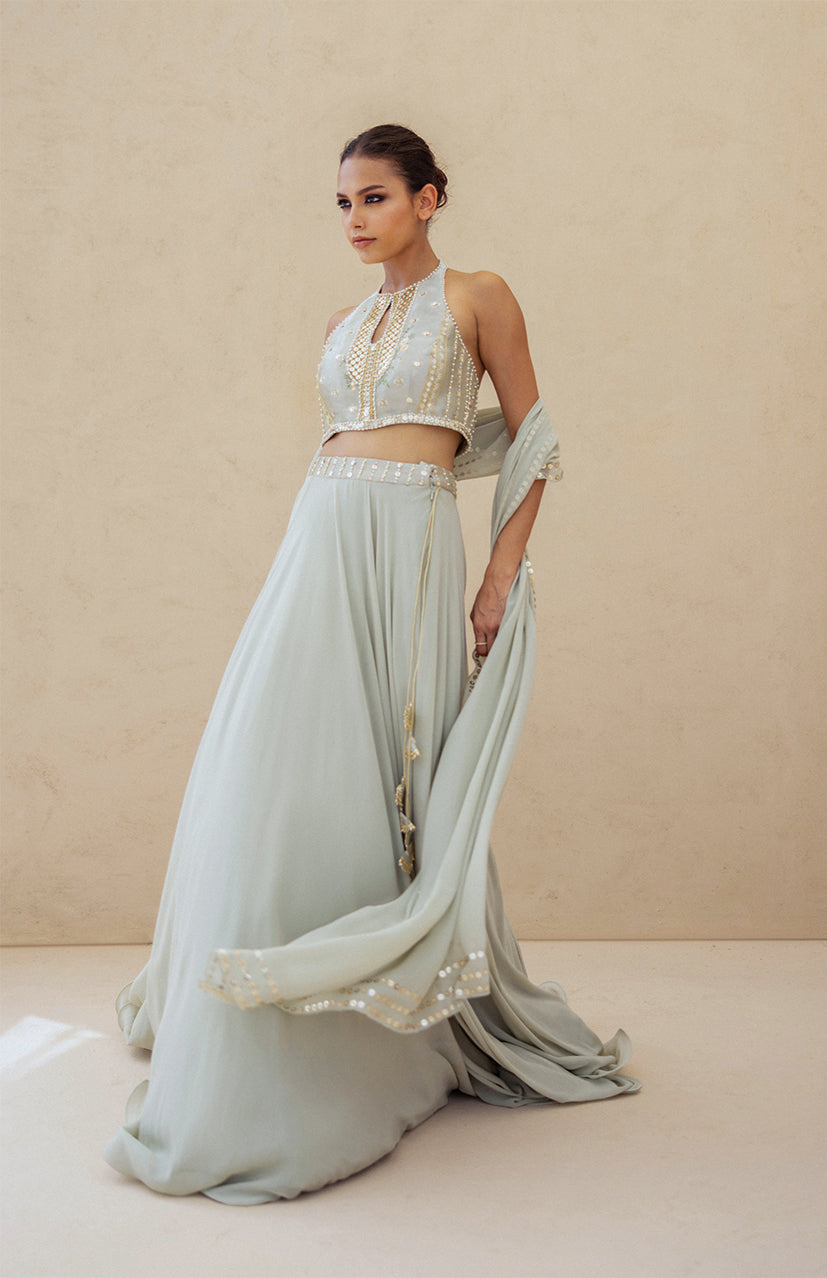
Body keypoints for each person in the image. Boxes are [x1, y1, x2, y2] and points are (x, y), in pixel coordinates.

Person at [103, 124, 640, 1206]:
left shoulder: (478, 296)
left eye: (376, 198)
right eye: (343, 202)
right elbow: (345, 439)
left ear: (428, 199)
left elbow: (530, 439)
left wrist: (499, 576)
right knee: (273, 760)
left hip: (409, 547)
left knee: (396, 771)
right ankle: (246, 1010)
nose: (355, 219)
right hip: (320, 538)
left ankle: (383, 1018)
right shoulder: (345, 323)